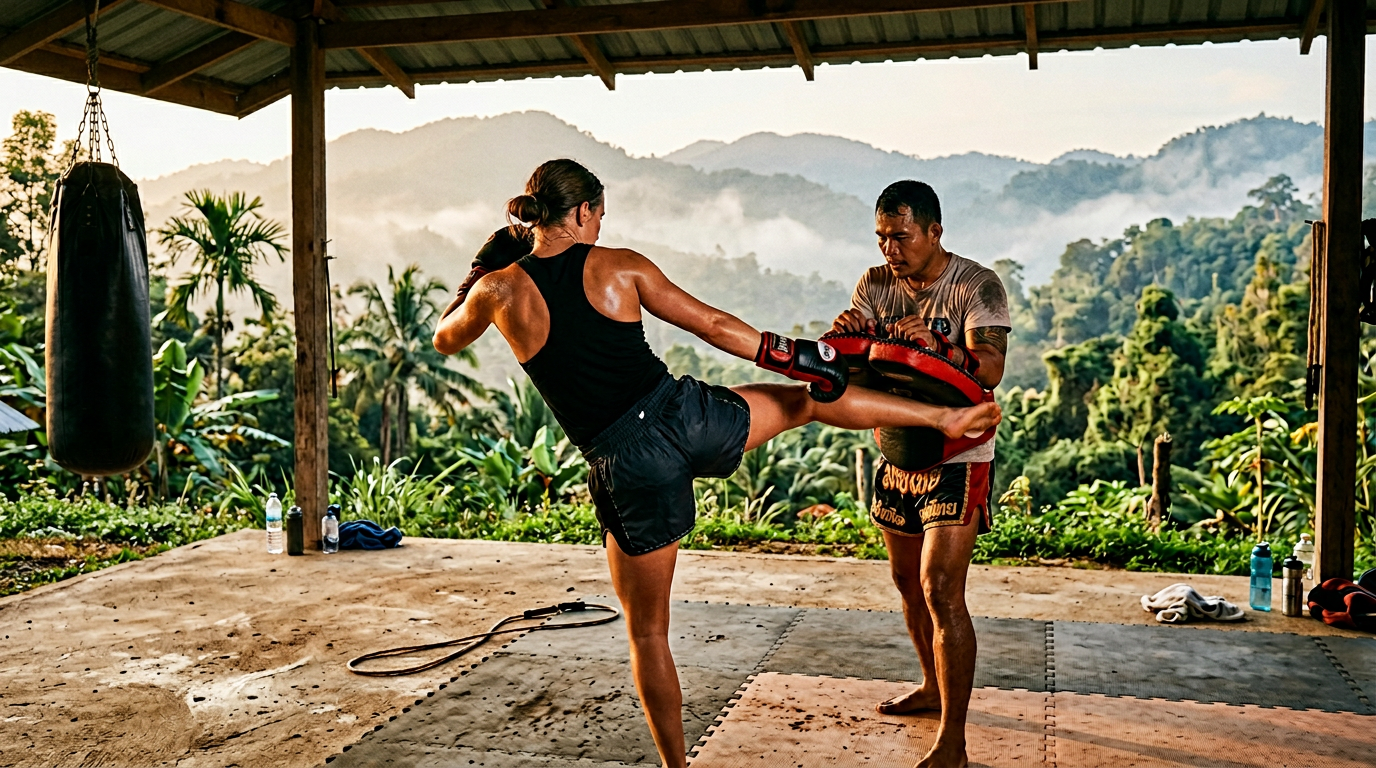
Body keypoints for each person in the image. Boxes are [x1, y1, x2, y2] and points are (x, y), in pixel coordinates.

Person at [434, 159, 1001, 768]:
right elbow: (714, 325)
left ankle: (677, 767)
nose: (601, 223)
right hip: (685, 416)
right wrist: (797, 357)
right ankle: (943, 420)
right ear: (580, 213)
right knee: (806, 401)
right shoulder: (620, 265)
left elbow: (444, 338)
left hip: (628, 465)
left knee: (648, 633)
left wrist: (483, 268)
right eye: (598, 212)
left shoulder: (498, 292)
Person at [832, 180, 1010, 768]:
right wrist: (849, 336)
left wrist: (938, 345)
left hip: (959, 455)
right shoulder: (874, 284)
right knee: (907, 584)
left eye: (901, 236)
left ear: (934, 231)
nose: (890, 249)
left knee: (940, 590)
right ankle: (932, 686)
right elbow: (857, 368)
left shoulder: (975, 284)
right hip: (897, 449)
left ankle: (952, 743)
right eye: (881, 237)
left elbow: (990, 369)